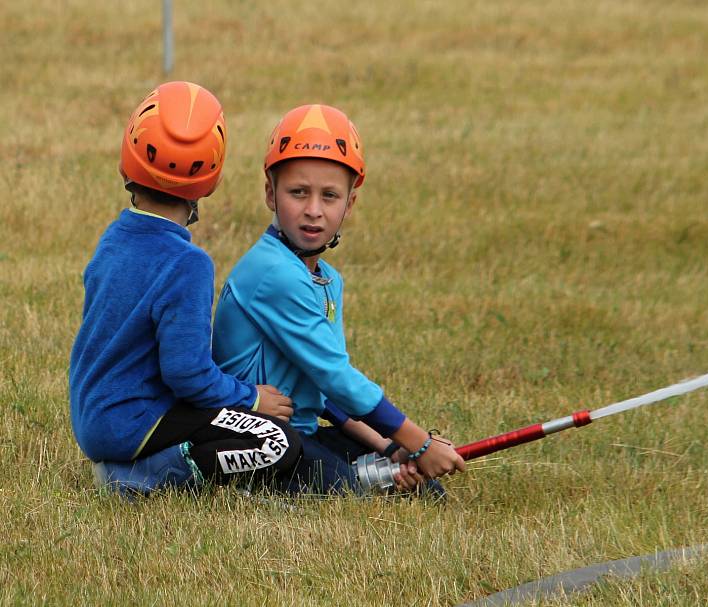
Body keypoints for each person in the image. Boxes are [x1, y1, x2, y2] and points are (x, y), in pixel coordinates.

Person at [211, 104, 466, 496]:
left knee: (417, 486)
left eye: (329, 196)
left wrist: (390, 446)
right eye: (298, 193)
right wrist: (421, 443)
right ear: (270, 193)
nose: (313, 210)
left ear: (350, 203)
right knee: (352, 491)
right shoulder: (273, 272)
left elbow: (326, 391)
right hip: (258, 438)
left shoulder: (328, 280)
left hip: (301, 431)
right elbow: (336, 376)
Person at [69, 81, 301, 497]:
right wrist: (250, 399)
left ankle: (135, 463)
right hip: (137, 421)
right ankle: (143, 477)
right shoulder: (188, 263)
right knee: (279, 442)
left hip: (94, 418)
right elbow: (187, 374)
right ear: (208, 180)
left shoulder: (113, 238)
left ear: (128, 161)